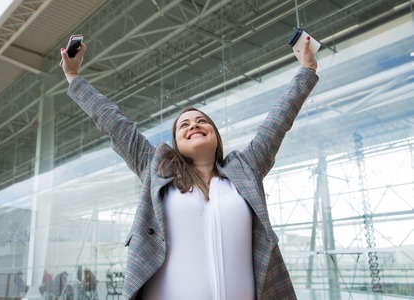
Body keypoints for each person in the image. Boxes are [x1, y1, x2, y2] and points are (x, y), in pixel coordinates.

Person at [60, 33, 318, 299]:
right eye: (184, 125)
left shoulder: (246, 169)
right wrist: (74, 77)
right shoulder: (157, 168)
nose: (194, 124)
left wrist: (307, 70)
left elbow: (277, 121)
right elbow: (113, 122)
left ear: (216, 136)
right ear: (175, 143)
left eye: (201, 121)